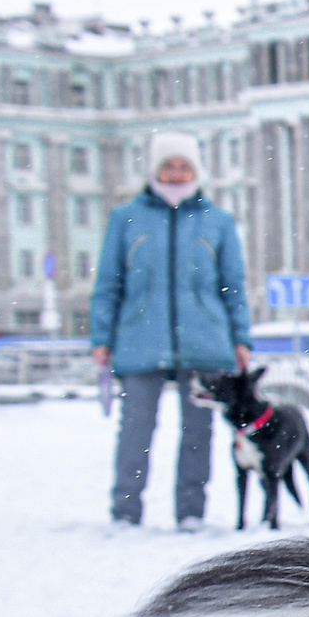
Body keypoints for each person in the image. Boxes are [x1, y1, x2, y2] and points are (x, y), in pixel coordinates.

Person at [90, 133, 252, 530]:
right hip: (139, 339)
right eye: (169, 165)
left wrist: (241, 338)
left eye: (184, 166)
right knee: (136, 429)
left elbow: (233, 285)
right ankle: (126, 511)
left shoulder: (218, 222)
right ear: (154, 169)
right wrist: (101, 338)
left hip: (205, 342)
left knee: (198, 431)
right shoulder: (126, 218)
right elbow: (109, 284)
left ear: (196, 171)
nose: (176, 173)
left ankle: (191, 511)